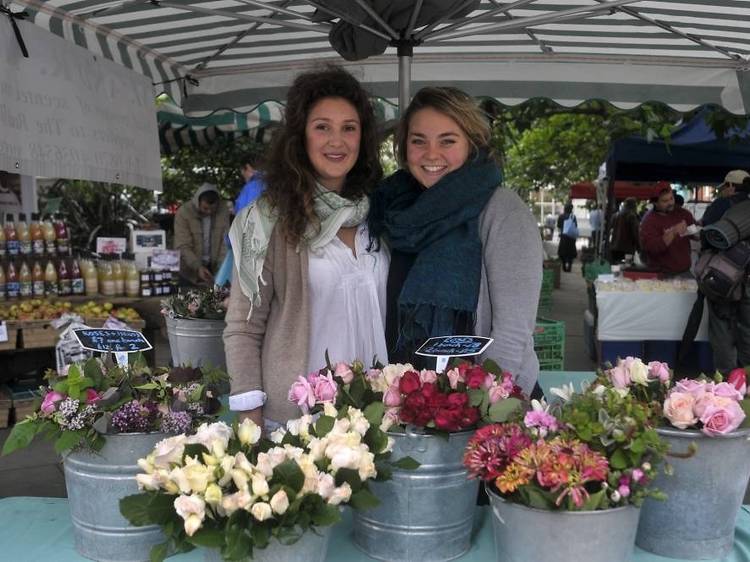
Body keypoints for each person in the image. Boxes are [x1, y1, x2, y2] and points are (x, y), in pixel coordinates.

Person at [223, 66, 386, 426]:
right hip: (300, 420)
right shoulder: (267, 219)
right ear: (300, 136)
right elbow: (243, 326)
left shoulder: (380, 212)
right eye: (322, 127)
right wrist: (251, 416)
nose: (336, 141)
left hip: (377, 414)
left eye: (349, 128)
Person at [368, 87, 543, 396]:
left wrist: (487, 404)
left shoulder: (503, 210)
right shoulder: (393, 211)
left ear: (472, 144)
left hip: (483, 400)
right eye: (418, 141)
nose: (431, 154)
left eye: (447, 141)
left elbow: (512, 332)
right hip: (405, 396)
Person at [701, 175, 750, 373]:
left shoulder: (722, 205)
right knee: (748, 332)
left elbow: (706, 238)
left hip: (723, 279)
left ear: (730, 186)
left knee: (721, 330)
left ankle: (727, 384)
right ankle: (746, 383)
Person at [173, 183, 231, 286]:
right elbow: (183, 245)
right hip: (188, 271)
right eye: (205, 208)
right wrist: (197, 266)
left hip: (214, 269)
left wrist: (221, 269)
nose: (209, 212)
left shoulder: (223, 212)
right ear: (197, 202)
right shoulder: (184, 213)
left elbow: (225, 243)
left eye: (212, 209)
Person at [639, 185, 696, 275]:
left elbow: (695, 234)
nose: (670, 203)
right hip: (661, 274)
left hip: (685, 271)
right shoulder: (649, 221)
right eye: (665, 201)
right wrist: (673, 232)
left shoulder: (683, 213)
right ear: (655, 203)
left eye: (671, 198)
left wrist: (699, 233)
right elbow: (652, 248)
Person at [610, 197, 640, 263]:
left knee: (615, 269)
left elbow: (610, 228)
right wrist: (639, 247)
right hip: (627, 249)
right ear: (633, 205)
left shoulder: (616, 215)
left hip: (614, 247)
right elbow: (635, 233)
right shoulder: (631, 216)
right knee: (626, 269)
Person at [556, 203, 578, 272]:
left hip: (564, 236)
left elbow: (559, 226)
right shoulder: (573, 216)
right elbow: (575, 226)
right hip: (571, 236)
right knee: (570, 252)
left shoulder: (561, 216)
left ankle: (564, 265)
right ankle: (570, 266)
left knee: (563, 252)